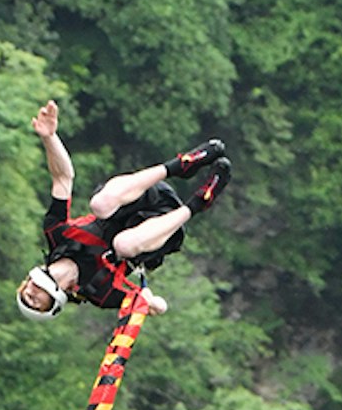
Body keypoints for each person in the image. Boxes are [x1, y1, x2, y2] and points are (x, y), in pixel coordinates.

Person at [16, 100, 231, 321]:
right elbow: (154, 305)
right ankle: (198, 202)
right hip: (161, 228)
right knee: (123, 245)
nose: (29, 293)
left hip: (142, 196)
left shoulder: (56, 233)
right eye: (33, 303)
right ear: (54, 304)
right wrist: (151, 303)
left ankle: (180, 166)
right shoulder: (100, 292)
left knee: (100, 205)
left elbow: (62, 178)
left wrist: (49, 137)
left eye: (25, 294)